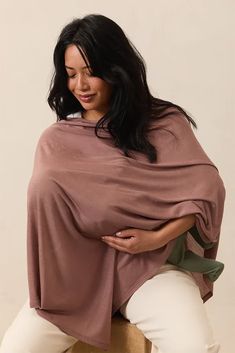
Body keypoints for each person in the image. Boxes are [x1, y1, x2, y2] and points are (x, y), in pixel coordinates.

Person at [0, 13, 225, 353]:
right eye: (71, 74)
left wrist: (154, 239)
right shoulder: (57, 140)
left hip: (150, 268)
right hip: (73, 281)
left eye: (91, 72)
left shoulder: (164, 124)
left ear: (116, 69)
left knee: (195, 347)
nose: (81, 86)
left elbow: (206, 190)